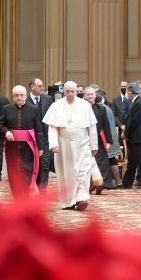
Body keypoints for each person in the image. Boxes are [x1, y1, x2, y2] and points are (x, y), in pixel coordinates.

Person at [42, 81, 102, 211]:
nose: (70, 94)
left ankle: (82, 198)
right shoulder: (56, 106)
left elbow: (92, 127)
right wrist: (53, 144)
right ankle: (68, 201)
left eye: (72, 91)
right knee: (67, 174)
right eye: (67, 91)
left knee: (84, 171)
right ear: (63, 92)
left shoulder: (85, 106)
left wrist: (94, 145)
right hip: (64, 146)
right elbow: (52, 128)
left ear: (76, 92)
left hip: (83, 144)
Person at [0, 85, 44, 197]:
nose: (19, 97)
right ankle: (17, 194)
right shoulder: (6, 108)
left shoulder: (34, 109)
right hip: (12, 146)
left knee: (27, 169)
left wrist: (40, 147)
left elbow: (39, 129)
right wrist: (6, 132)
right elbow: (0, 125)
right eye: (16, 95)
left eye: (21, 95)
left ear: (26, 95)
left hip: (28, 146)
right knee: (13, 169)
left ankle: (24, 193)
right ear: (12, 96)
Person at [122, 81, 141, 189]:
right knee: (132, 161)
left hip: (137, 137)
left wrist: (126, 132)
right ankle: (126, 183)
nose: (127, 93)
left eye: (127, 91)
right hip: (135, 136)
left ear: (131, 92)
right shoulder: (137, 102)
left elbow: (134, 121)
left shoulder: (138, 103)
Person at [83, 87, 113, 195]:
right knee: (87, 163)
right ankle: (90, 185)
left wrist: (108, 141)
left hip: (99, 140)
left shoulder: (101, 109)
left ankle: (101, 183)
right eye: (88, 94)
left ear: (95, 96)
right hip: (84, 139)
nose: (90, 96)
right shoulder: (81, 108)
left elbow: (106, 125)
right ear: (84, 96)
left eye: (92, 94)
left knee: (102, 162)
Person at [29, 78, 54, 189]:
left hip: (45, 137)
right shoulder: (25, 100)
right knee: (33, 164)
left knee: (45, 164)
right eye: (39, 86)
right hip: (31, 138)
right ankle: (34, 185)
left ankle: (42, 189)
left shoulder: (47, 99)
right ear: (32, 87)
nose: (42, 88)